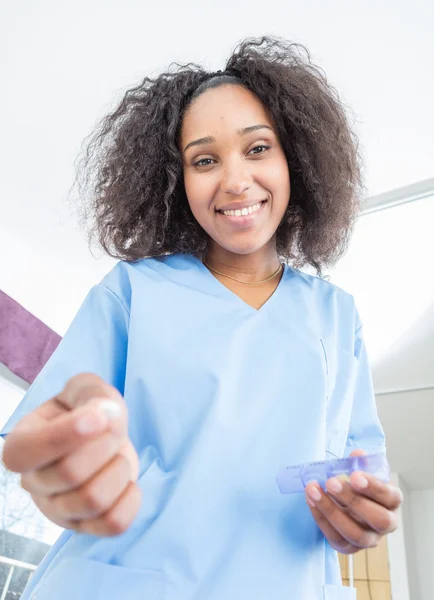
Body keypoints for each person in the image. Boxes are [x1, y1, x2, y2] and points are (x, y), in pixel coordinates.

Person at [1, 36, 402, 600]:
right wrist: (60, 458)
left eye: (258, 148)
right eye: (205, 159)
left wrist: (363, 511)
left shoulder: (336, 315)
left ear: (297, 160)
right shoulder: (133, 292)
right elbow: (40, 434)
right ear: (175, 180)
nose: (235, 180)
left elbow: (364, 467)